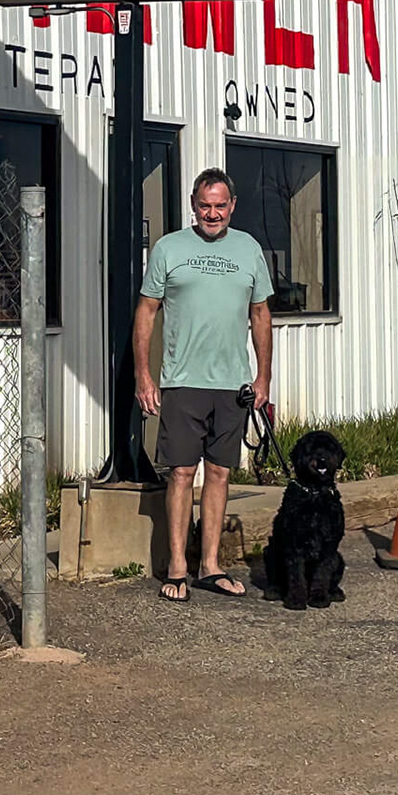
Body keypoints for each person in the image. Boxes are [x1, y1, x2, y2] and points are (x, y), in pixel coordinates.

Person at [132, 167, 273, 602]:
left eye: (220, 205)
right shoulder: (169, 248)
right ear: (194, 206)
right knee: (180, 473)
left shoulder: (248, 249)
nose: (213, 213)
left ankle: (209, 566)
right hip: (182, 382)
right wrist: (143, 374)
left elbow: (261, 315)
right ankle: (177, 567)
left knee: (219, 472)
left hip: (232, 384)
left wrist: (263, 377)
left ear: (232, 205)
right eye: (205, 206)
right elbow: (147, 312)